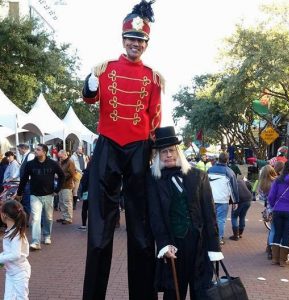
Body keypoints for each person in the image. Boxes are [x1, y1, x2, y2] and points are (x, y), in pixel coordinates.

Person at [81, 1, 163, 299]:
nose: (135, 44)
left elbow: (154, 118)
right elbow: (90, 98)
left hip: (139, 149)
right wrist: (89, 86)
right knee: (100, 231)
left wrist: (156, 152)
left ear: (146, 44)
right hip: (109, 146)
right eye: (131, 39)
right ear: (123, 39)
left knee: (141, 231)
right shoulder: (104, 69)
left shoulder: (153, 78)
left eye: (140, 41)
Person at [147, 126, 223, 299]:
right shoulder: (153, 180)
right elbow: (155, 215)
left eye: (172, 150)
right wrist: (164, 244)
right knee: (174, 293)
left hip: (199, 245)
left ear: (178, 152)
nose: (168, 155)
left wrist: (214, 247)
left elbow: (209, 214)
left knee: (202, 292)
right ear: (158, 156)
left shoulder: (198, 176)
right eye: (163, 152)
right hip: (174, 246)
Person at [16, 144, 65, 250]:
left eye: (38, 150)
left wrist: (57, 190)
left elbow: (62, 176)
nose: (35, 151)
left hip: (49, 195)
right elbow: (24, 179)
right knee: (36, 218)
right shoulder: (30, 164)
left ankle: (47, 235)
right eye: (35, 149)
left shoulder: (53, 163)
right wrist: (19, 193)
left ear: (44, 152)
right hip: (34, 195)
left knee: (48, 218)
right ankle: (35, 242)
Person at [268, 158, 289, 267]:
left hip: (278, 209)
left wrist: (273, 206)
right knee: (286, 235)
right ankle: (283, 260)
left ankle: (274, 259)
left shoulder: (278, 180)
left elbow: (271, 196)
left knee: (277, 233)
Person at [0, 200, 31, 300]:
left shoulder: (16, 234)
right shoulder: (11, 231)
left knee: (21, 297)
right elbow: (10, 253)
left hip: (20, 272)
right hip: (11, 272)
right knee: (8, 297)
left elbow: (15, 254)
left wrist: (1, 258)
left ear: (4, 215)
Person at [207, 152, 239, 245]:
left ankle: (210, 237)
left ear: (218, 159)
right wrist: (235, 202)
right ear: (227, 160)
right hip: (223, 200)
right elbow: (233, 188)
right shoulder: (229, 172)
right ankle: (219, 239)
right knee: (221, 220)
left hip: (210, 199)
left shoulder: (210, 170)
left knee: (210, 219)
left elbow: (204, 185)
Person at [257, 164, 278, 259]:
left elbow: (261, 197)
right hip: (278, 207)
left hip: (269, 209)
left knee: (272, 230)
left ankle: (269, 249)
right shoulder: (276, 181)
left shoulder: (261, 184)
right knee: (277, 230)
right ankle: (274, 250)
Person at [56, 150, 76, 225]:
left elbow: (72, 174)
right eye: (59, 157)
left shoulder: (70, 162)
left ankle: (68, 218)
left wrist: (61, 176)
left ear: (65, 155)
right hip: (61, 185)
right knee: (61, 202)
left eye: (61, 157)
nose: (60, 158)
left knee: (67, 202)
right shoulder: (62, 162)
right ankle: (64, 217)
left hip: (67, 185)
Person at [17, 144, 35, 225]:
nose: (18, 151)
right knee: (25, 202)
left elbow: (30, 168)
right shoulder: (25, 156)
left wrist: (28, 179)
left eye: (19, 149)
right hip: (26, 182)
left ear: (23, 148)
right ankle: (25, 221)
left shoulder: (30, 155)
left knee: (27, 202)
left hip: (28, 182)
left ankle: (26, 221)